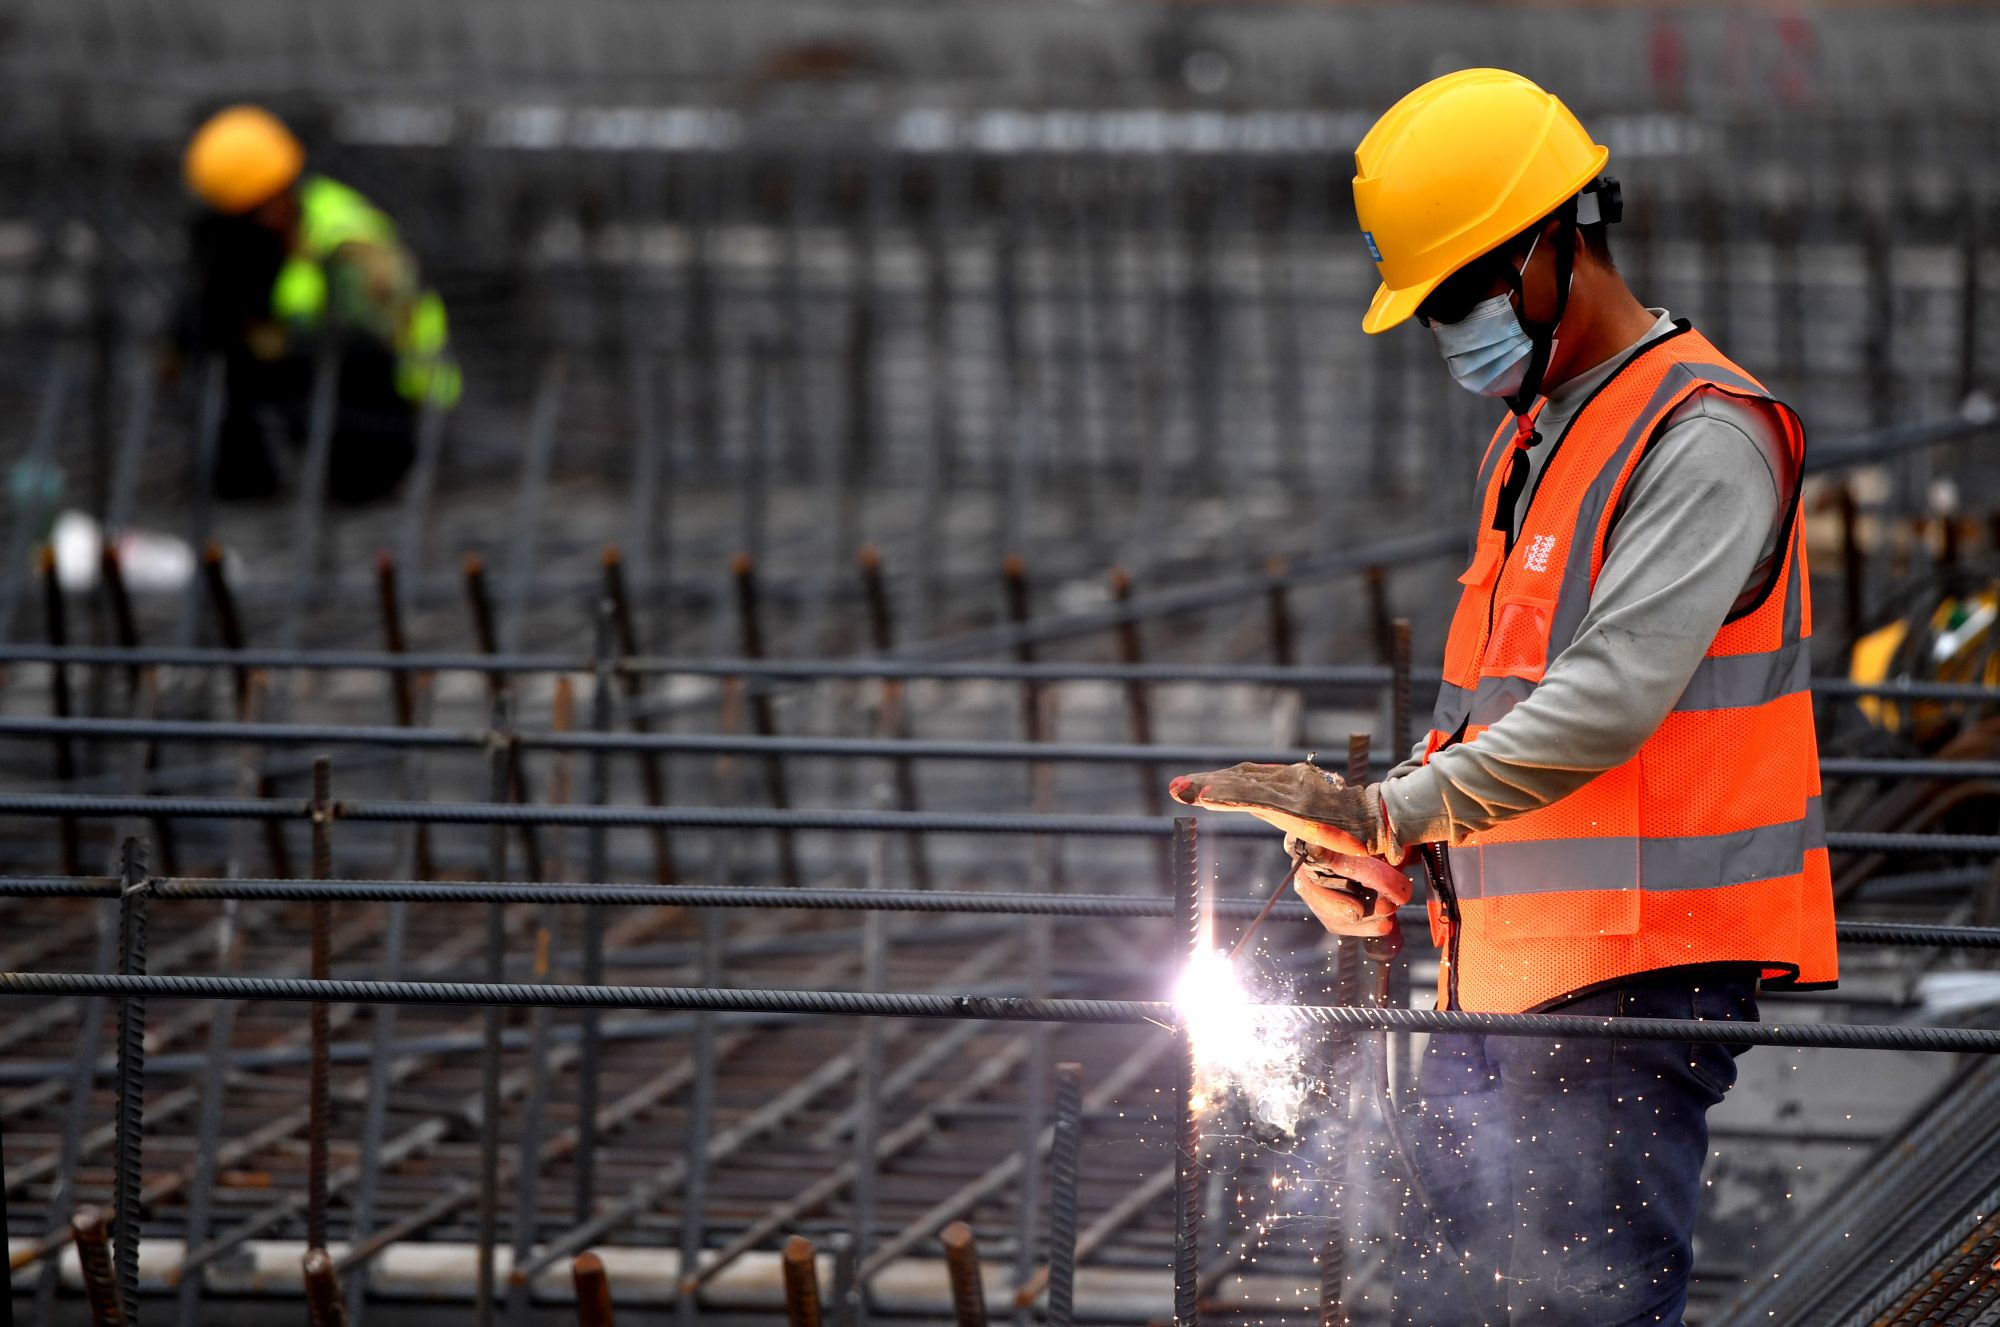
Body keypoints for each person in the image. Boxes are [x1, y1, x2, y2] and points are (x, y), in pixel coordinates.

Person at [1170, 68, 1837, 1325]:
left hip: (1627, 994)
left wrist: (1393, 807)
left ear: (1559, 244)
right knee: (1454, 1304)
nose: (1453, 329)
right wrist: (1395, 855)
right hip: (1501, 986)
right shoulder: (1536, 440)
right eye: (1433, 307)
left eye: (1468, 292)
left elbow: (1604, 702)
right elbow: (1493, 719)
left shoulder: (1701, 435)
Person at [177, 105, 459, 503]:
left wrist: (276, 343)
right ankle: (247, 481)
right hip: (314, 375)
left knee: (344, 379)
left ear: (275, 198)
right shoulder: (264, 243)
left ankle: (365, 481)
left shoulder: (349, 244)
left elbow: (369, 344)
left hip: (397, 401)